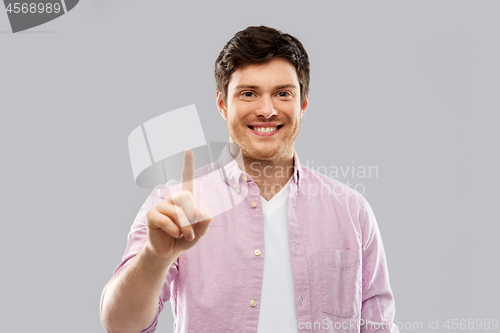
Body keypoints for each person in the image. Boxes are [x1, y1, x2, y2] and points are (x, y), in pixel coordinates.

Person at [100, 25, 399, 333]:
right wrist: (155, 257)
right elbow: (119, 325)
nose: (267, 110)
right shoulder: (174, 206)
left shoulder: (353, 212)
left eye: (283, 94)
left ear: (303, 103)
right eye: (248, 94)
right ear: (222, 104)